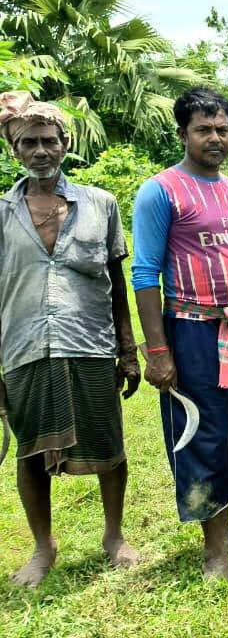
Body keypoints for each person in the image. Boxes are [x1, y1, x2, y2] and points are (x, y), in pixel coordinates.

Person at [132, 86, 228, 581]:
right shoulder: (161, 190)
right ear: (183, 134)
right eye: (203, 130)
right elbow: (145, 272)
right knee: (204, 433)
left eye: (222, 129)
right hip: (192, 332)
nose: (215, 138)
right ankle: (214, 550)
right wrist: (157, 350)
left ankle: (227, 529)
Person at [0, 91, 142, 587]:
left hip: (91, 344)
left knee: (109, 444)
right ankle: (43, 548)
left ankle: (114, 536)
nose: (40, 151)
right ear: (14, 150)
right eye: (28, 143)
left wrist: (128, 350)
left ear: (65, 144)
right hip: (24, 348)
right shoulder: (2, 213)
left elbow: (115, 282)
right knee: (30, 453)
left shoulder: (100, 204)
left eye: (49, 141)